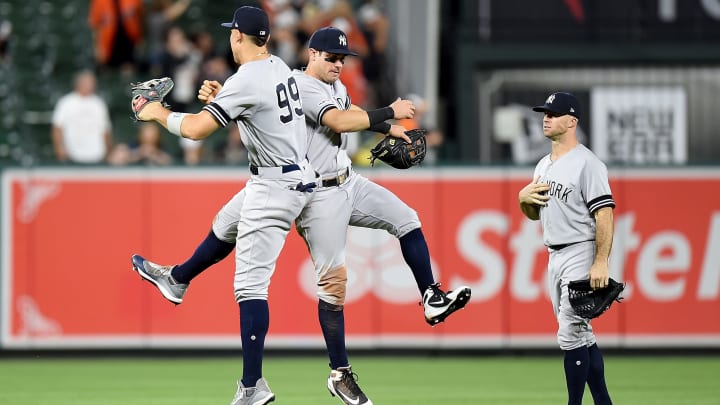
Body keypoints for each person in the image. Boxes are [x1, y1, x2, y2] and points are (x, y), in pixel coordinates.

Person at [132, 26, 472, 405]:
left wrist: (385, 126)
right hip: (315, 193)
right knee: (324, 280)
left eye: (343, 59)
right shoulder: (297, 83)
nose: (338, 64)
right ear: (312, 54)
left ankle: (431, 296)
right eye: (331, 57)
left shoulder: (317, 84)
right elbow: (337, 122)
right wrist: (390, 111)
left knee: (406, 219)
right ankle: (339, 373)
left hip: (340, 180)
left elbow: (344, 113)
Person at [130, 6, 317, 405]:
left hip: (275, 185)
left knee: (250, 286)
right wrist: (226, 101)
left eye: (232, 32)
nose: (229, 37)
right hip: (284, 174)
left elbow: (197, 131)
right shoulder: (278, 66)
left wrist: (156, 112)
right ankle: (178, 278)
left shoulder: (245, 79)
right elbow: (266, 116)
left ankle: (253, 387)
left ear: (237, 37)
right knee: (226, 222)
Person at [518, 92, 616, 405]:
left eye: (554, 114)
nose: (546, 118)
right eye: (545, 113)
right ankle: (603, 402)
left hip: (580, 250)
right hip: (554, 254)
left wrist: (600, 261)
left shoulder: (588, 164)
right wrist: (523, 201)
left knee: (569, 333)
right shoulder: (543, 164)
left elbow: (604, 213)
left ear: (572, 121)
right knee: (581, 333)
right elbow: (536, 213)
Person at [51, 70, 113, 164]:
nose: (92, 85)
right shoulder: (66, 102)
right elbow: (57, 128)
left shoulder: (99, 103)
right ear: (79, 83)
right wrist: (60, 150)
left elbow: (105, 130)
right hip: (72, 156)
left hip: (97, 156)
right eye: (89, 82)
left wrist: (108, 152)